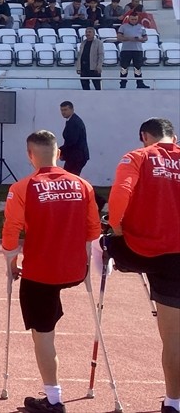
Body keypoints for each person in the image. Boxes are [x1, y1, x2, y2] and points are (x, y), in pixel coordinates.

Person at [2, 130, 101, 413]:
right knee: (46, 327)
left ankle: (54, 398)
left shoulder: (23, 187)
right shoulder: (83, 185)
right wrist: (82, 264)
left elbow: (11, 232)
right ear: (58, 153)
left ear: (29, 155)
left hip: (40, 272)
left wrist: (11, 263)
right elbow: (93, 229)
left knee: (42, 334)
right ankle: (53, 395)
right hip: (73, 270)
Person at [104, 117, 179, 413]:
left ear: (145, 136)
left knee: (173, 336)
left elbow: (120, 194)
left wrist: (116, 228)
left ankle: (174, 401)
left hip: (153, 251)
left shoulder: (138, 156)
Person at [117, 12, 150, 89]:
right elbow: (119, 37)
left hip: (137, 50)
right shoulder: (123, 27)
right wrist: (129, 38)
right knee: (124, 67)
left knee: (137, 67)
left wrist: (140, 39)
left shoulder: (141, 27)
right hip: (126, 50)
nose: (134, 21)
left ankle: (139, 83)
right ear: (129, 18)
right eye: (132, 19)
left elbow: (145, 38)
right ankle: (123, 83)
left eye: (135, 19)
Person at [58, 101, 89, 178]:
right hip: (75, 156)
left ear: (72, 110)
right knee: (69, 177)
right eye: (62, 110)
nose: (63, 112)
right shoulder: (71, 120)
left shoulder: (74, 122)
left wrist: (60, 151)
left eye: (65, 110)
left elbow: (72, 141)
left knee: (69, 178)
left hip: (77, 156)